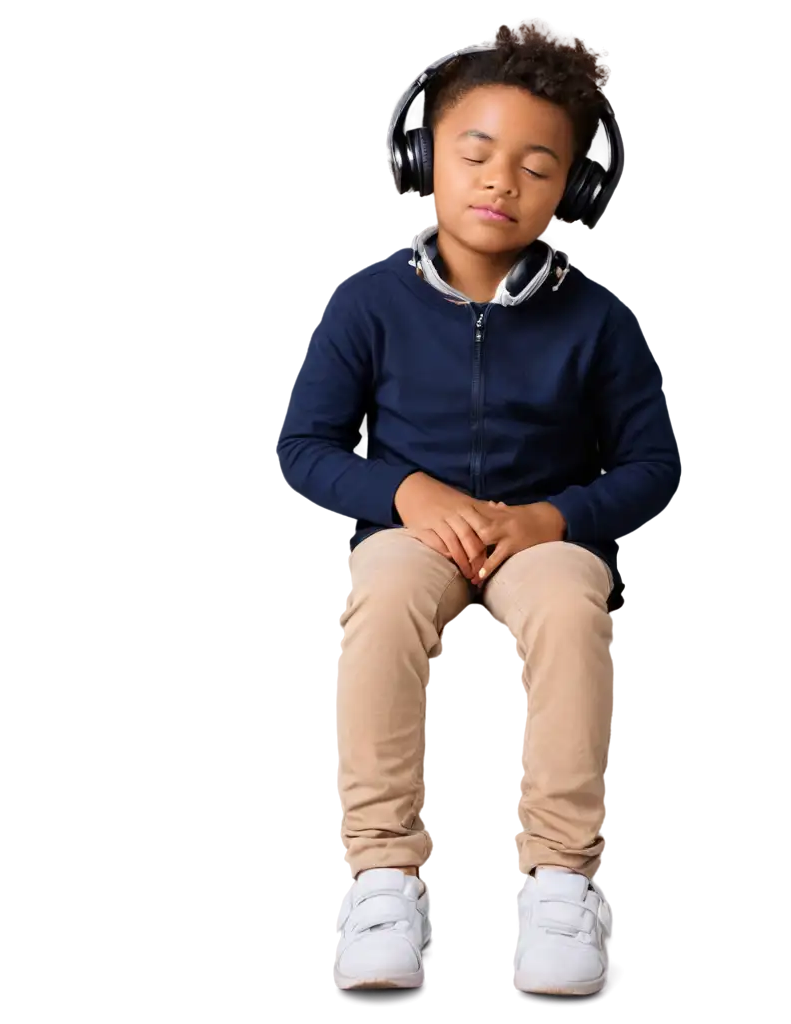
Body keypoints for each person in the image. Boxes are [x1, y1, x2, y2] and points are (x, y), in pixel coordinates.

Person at [271, 26, 680, 998]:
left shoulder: (598, 320)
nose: (502, 181)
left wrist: (553, 516)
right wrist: (405, 492)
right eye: (475, 153)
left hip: (546, 533)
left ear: (572, 191)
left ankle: (559, 880)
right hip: (411, 532)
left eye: (537, 167)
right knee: (376, 596)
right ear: (421, 158)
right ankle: (380, 876)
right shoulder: (365, 301)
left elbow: (652, 464)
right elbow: (303, 448)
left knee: (568, 609)